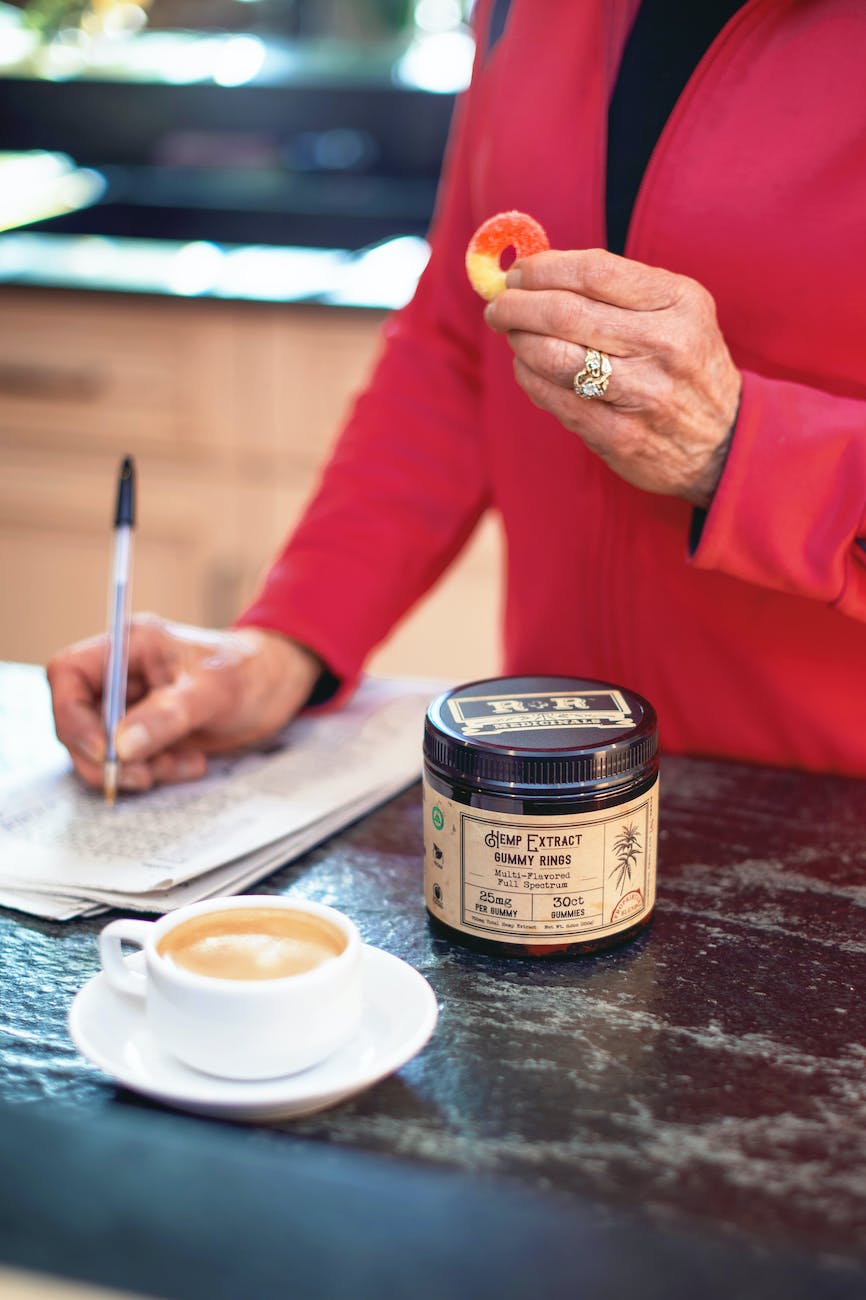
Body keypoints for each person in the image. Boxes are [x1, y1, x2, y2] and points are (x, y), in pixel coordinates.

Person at [48, 0, 866, 790]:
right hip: (552, 781)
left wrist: (737, 450)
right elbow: (456, 346)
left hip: (823, 819)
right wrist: (288, 644)